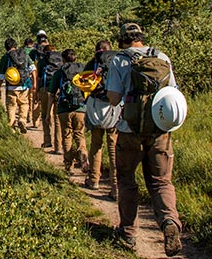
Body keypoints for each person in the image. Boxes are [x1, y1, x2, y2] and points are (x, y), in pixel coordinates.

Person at [106, 23, 183, 257]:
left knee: (127, 180)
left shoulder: (118, 61)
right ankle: (169, 222)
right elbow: (173, 94)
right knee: (161, 181)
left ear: (122, 40)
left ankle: (128, 233)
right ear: (141, 37)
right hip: (160, 130)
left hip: (129, 131)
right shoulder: (162, 57)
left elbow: (113, 98)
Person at [84, 40, 120, 200]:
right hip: (114, 107)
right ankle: (115, 187)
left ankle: (94, 180)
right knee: (113, 148)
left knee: (96, 145)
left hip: (96, 106)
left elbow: (83, 84)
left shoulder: (92, 63)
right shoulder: (119, 61)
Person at [46, 48, 88, 171]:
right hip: (81, 108)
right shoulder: (83, 70)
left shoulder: (60, 72)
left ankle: (68, 165)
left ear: (63, 59)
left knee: (67, 136)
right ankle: (82, 153)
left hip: (64, 108)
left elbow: (52, 94)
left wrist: (49, 112)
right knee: (80, 134)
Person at [0, 37, 37, 134]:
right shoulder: (25, 55)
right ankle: (22, 120)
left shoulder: (5, 57)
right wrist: (34, 83)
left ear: (6, 47)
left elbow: (1, 75)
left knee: (11, 106)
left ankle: (11, 126)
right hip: (24, 85)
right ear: (16, 46)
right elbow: (33, 69)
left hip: (11, 86)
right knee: (24, 104)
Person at [37, 44, 62, 151]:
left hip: (45, 88)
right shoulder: (61, 60)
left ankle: (47, 141)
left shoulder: (42, 61)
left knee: (44, 115)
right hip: (59, 90)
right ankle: (58, 146)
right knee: (57, 118)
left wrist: (36, 92)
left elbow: (38, 77)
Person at [22, 37, 39, 126]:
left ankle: (28, 115)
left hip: (24, 77)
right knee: (33, 97)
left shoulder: (21, 51)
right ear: (32, 44)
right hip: (34, 75)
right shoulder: (35, 51)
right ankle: (33, 118)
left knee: (26, 97)